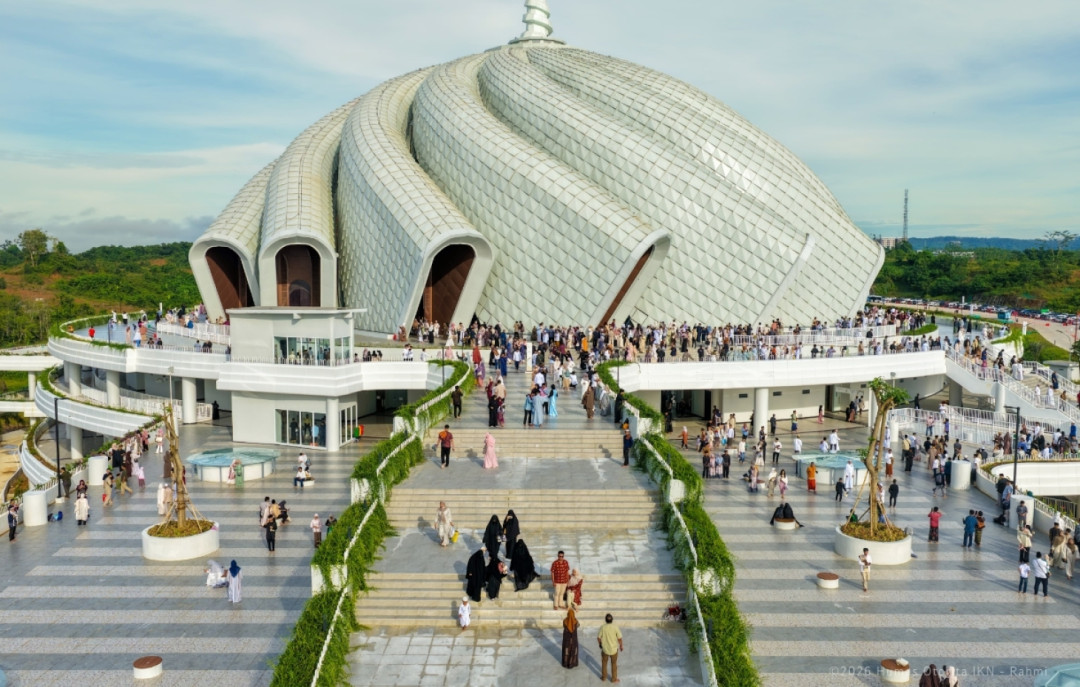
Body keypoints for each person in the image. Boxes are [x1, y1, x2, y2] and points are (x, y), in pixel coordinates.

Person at [597, 613, 623, 683]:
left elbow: (599, 638)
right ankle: (614, 679)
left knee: (604, 663)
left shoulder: (603, 627)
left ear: (605, 620)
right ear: (612, 620)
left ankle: (604, 677)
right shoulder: (615, 627)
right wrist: (621, 646)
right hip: (614, 649)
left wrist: (600, 644)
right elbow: (619, 638)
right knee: (614, 664)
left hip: (605, 649)